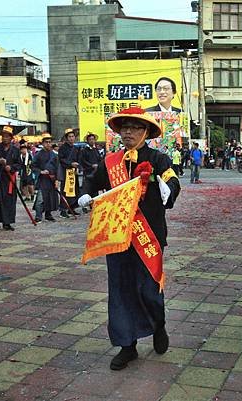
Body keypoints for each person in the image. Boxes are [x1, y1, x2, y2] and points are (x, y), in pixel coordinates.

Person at [77, 106, 180, 370]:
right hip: (117, 237)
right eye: (124, 128)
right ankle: (127, 345)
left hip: (149, 236)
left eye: (134, 128)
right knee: (121, 292)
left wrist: (168, 189)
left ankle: (159, 325)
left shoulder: (158, 159)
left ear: (146, 131)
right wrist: (84, 194)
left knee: (149, 289)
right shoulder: (111, 162)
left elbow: (172, 180)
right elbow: (92, 180)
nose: (128, 132)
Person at [0, 125, 22, 233]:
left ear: (11, 138)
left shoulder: (15, 150)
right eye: (3, 136)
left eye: (7, 136)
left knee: (9, 201)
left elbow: (19, 165)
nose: (5, 138)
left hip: (10, 179)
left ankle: (7, 222)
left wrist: (11, 167)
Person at [32, 134, 59, 222]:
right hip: (42, 179)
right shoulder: (38, 154)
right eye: (46, 142)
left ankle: (48, 214)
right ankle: (38, 216)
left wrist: (57, 179)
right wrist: (41, 172)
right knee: (41, 198)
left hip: (51, 179)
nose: (48, 144)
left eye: (49, 142)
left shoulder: (54, 155)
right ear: (43, 143)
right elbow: (33, 166)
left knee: (50, 197)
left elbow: (57, 167)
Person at [58, 128, 80, 217]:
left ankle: (72, 208)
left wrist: (78, 166)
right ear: (67, 138)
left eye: (72, 136)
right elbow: (61, 159)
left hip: (74, 171)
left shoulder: (76, 148)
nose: (71, 138)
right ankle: (63, 210)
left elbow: (78, 159)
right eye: (69, 137)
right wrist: (70, 163)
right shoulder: (62, 148)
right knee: (65, 190)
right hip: (65, 171)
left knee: (75, 190)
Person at [79, 132, 102, 199]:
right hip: (88, 172)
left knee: (96, 188)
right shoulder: (84, 150)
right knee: (88, 189)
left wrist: (98, 165)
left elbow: (99, 159)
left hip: (96, 172)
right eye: (90, 139)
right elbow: (83, 161)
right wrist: (91, 165)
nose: (92, 141)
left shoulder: (96, 150)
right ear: (87, 141)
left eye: (93, 139)